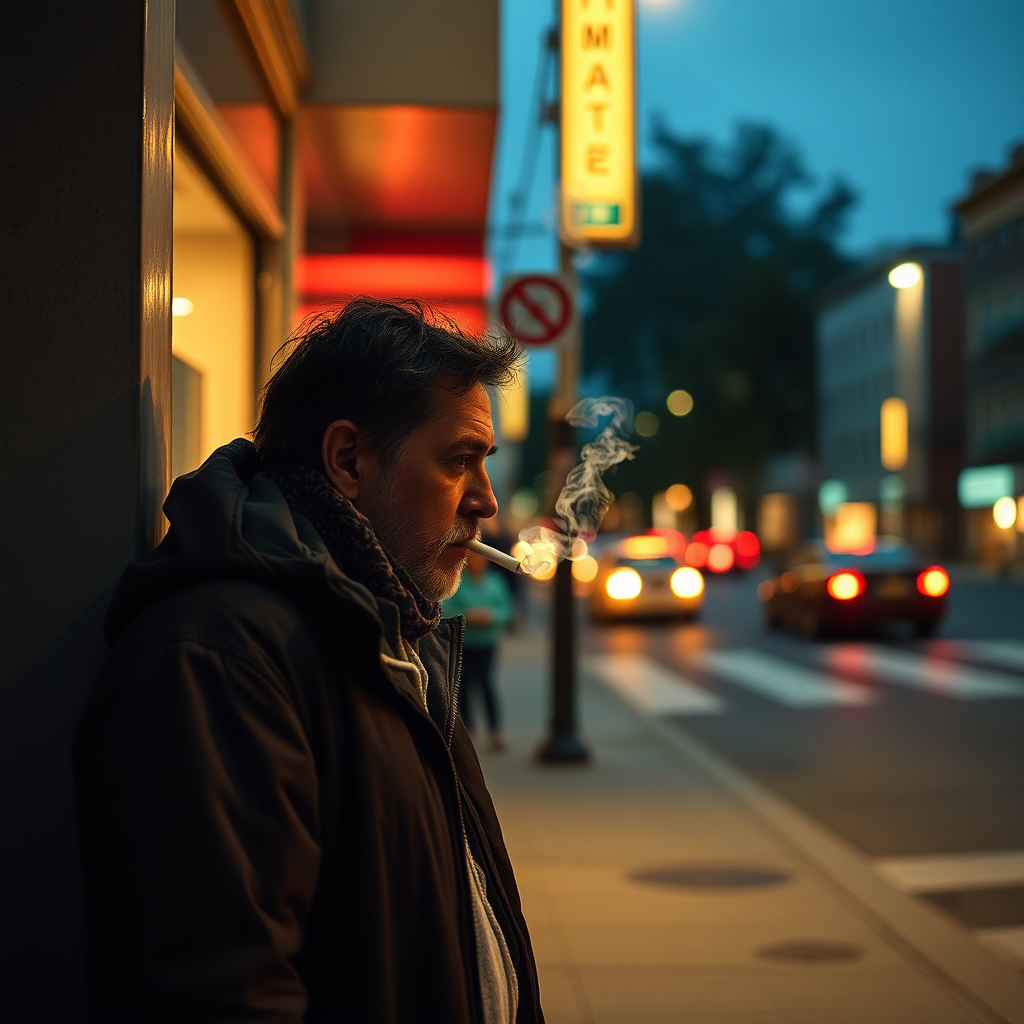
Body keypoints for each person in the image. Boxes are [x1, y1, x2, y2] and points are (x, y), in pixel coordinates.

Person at [74, 300, 544, 1024]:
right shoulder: (220, 657)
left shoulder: (390, 630)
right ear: (348, 459)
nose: (485, 500)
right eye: (459, 461)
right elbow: (216, 992)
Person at [442, 548, 514, 751]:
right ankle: (468, 730)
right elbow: (445, 607)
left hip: (487, 641)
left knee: (486, 683)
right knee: (462, 686)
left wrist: (490, 616)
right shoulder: (459, 582)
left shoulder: (495, 582)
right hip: (464, 641)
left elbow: (506, 609)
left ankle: (495, 730)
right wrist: (466, 614)